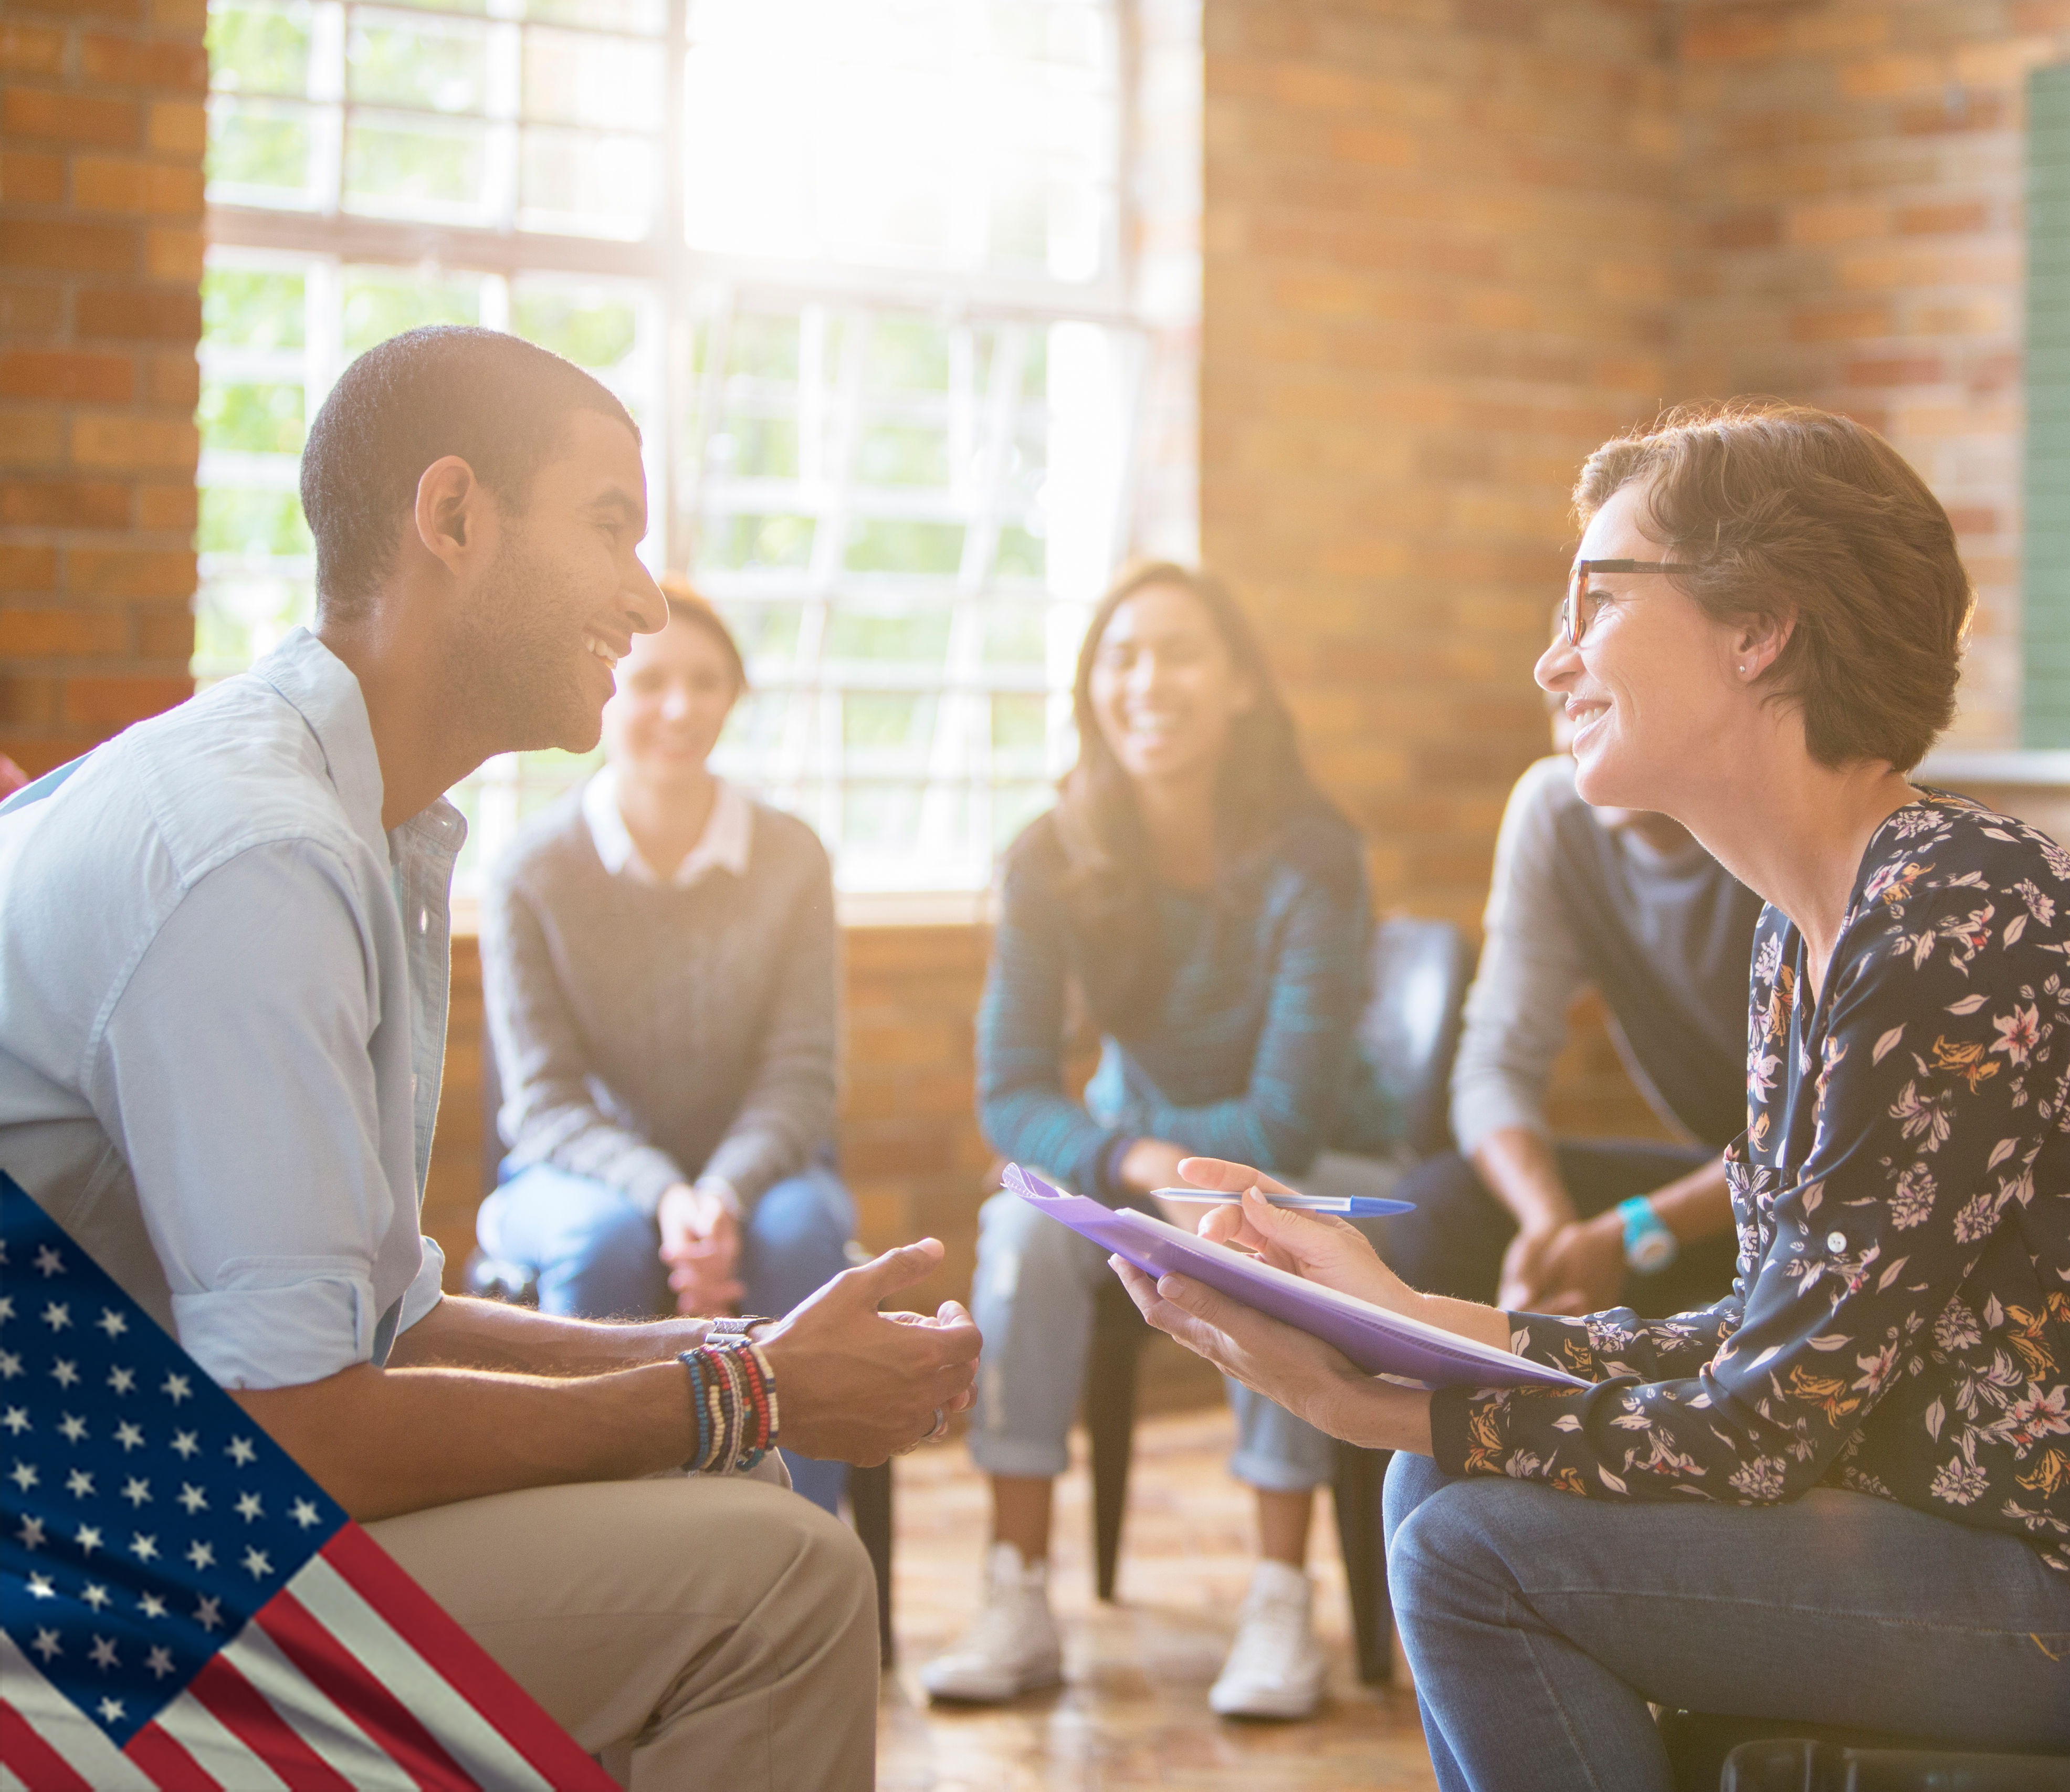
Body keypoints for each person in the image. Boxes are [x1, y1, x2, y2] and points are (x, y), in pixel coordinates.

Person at [1105, 402, 2070, 1791]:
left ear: (1762, 623)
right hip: (2009, 1524)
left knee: (1466, 1537)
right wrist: (1410, 1326)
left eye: (1598, 599)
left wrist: (1381, 1400)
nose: (1554, 654)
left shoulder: (1957, 928)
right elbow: (1767, 1336)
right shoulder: (1810, 931)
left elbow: (1771, 1421)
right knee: (1445, 1488)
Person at [0, 327, 979, 1790]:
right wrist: (752, 1389)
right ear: (453, 517)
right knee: (784, 1581)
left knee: (735, 1482)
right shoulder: (255, 852)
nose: (647, 601)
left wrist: (737, 1361)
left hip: (135, 1475)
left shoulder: (362, 819)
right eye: (611, 528)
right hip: (71, 1570)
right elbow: (305, 1421)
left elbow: (373, 1321)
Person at [920, 560, 1400, 1721]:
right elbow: (1011, 1091)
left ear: (1239, 684)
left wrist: (1135, 1158)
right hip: (1137, 1159)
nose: (1147, 682)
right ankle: (1016, 1585)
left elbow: (1281, 1122)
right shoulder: (1051, 853)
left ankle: (1282, 1591)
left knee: (1250, 1226)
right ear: (1091, 687)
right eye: (1120, 657)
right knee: (1019, 1233)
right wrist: (1132, 1164)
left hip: (1321, 1166)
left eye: (1179, 652)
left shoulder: (1312, 857)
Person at [477, 578, 856, 1515]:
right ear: (607, 686)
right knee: (603, 1244)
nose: (679, 709)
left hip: (757, 1172)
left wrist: (720, 1191)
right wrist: (665, 1195)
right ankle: (602, 1546)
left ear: (735, 695)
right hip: (577, 1176)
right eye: (651, 683)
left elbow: (801, 1076)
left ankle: (797, 1545)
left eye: (706, 682)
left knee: (800, 1230)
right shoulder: (529, 868)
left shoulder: (793, 856)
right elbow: (545, 1103)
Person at [1385, 709, 1756, 1317]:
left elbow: (1829, 1134)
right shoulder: (1558, 808)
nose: (1575, 731)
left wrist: (1627, 1231)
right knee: (1440, 1207)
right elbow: (1492, 1065)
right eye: (1568, 707)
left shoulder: (1790, 818)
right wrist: (1548, 1222)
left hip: (1832, 1184)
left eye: (1607, 698)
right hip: (1726, 1176)